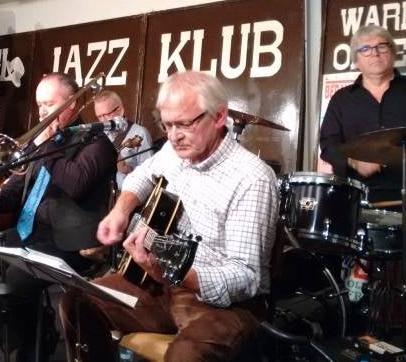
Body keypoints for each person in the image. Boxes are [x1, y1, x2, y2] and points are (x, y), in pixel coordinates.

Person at [59, 70, 279, 362]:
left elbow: (245, 278)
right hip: (164, 284)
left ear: (219, 117)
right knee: (78, 301)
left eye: (184, 124)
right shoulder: (175, 152)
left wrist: (173, 274)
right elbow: (141, 175)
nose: (174, 136)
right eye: (167, 124)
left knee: (186, 355)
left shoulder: (252, 178)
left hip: (225, 306)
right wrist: (121, 210)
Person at [0, 73, 117, 362]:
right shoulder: (41, 144)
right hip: (27, 233)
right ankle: (33, 333)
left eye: (49, 104)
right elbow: (16, 188)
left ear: (72, 104)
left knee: (9, 291)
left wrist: (48, 144)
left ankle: (31, 342)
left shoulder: (97, 143)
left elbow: (75, 184)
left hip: (66, 242)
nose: (41, 112)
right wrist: (0, 198)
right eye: (39, 105)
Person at [319, 24, 406, 316]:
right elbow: (328, 144)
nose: (374, 53)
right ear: (356, 59)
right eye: (365, 49)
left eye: (381, 46)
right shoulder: (342, 100)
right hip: (361, 198)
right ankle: (343, 319)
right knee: (326, 247)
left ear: (392, 52)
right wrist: (354, 162)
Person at [93, 90, 153, 190]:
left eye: (106, 114)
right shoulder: (98, 135)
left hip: (127, 194)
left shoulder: (140, 133)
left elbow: (149, 176)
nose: (103, 121)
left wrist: (127, 169)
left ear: (120, 110)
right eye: (99, 116)